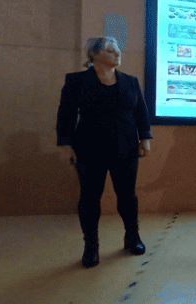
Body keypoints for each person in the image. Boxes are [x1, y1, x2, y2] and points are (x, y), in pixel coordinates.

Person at [56, 37, 152, 268]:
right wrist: (66, 144)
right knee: (90, 197)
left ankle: (132, 237)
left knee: (127, 195)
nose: (117, 53)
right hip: (89, 148)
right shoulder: (77, 81)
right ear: (94, 55)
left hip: (126, 147)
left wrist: (145, 138)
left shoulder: (130, 81)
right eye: (110, 50)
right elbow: (66, 114)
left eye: (118, 49)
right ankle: (91, 246)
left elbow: (141, 112)